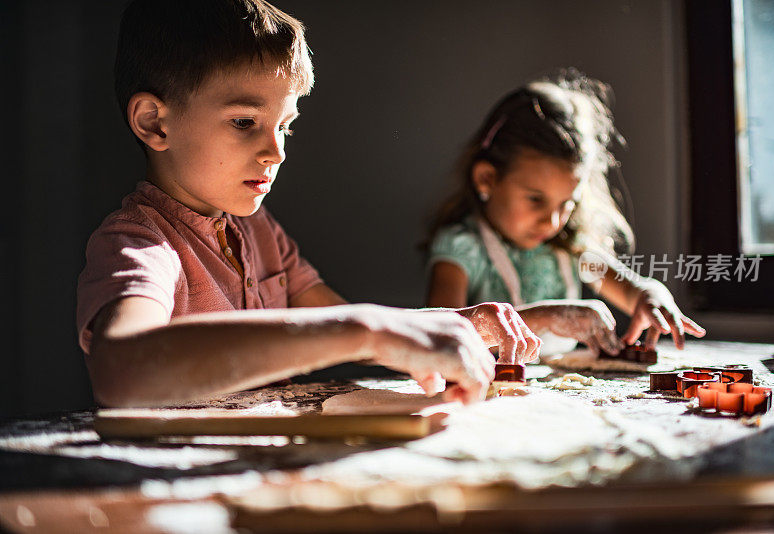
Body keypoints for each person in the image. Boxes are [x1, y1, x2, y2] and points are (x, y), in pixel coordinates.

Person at [77, 0, 540, 409]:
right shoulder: (139, 242)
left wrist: (459, 324)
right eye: (245, 121)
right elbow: (121, 371)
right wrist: (366, 328)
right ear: (154, 122)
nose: (275, 152)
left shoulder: (259, 232)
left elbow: (353, 329)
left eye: (285, 126)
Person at [425, 70, 705, 356]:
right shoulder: (461, 247)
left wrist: (652, 296)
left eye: (567, 203)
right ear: (487, 179)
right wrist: (547, 315)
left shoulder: (574, 249)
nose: (554, 220)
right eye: (536, 199)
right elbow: (442, 335)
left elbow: (633, 290)